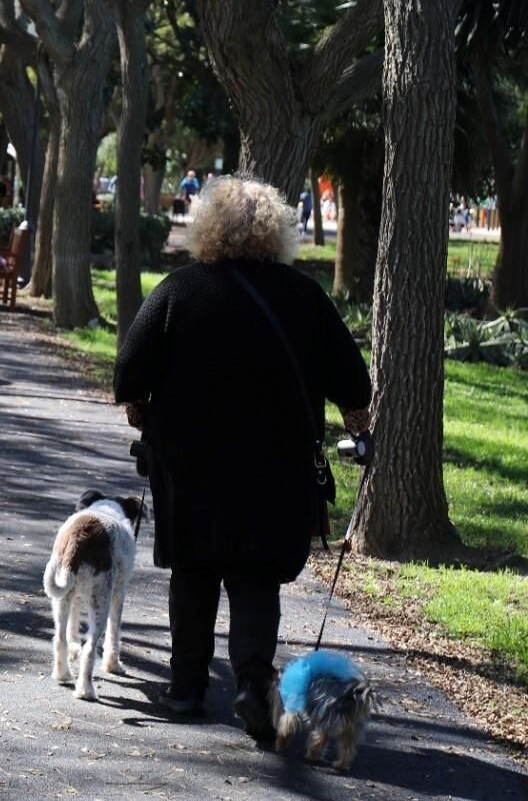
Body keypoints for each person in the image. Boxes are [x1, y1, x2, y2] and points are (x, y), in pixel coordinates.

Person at [114, 175, 371, 742]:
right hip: (274, 470)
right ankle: (253, 685)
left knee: (194, 572)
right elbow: (354, 384)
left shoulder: (178, 292)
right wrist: (360, 433)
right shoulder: (303, 297)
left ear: (207, 226)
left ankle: (185, 688)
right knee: (256, 580)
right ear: (278, 232)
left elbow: (129, 375)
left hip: (190, 465)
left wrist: (143, 419)